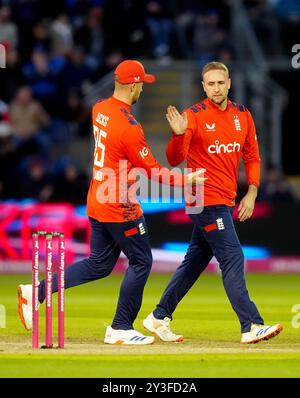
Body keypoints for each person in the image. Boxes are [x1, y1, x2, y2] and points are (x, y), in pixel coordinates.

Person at [17, 60, 204, 345]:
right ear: (132, 86)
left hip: (98, 200)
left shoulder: (99, 108)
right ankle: (120, 327)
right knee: (141, 261)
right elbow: (153, 170)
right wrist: (186, 180)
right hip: (120, 205)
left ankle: (38, 292)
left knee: (99, 264)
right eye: (142, 83)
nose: (143, 87)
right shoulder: (129, 128)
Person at [143, 61, 283, 344]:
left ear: (229, 83)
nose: (216, 88)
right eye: (211, 84)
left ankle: (159, 316)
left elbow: (252, 156)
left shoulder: (243, 115)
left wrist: (253, 191)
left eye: (221, 83)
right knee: (232, 257)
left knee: (195, 261)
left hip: (224, 198)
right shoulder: (192, 116)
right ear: (203, 86)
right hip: (203, 198)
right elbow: (173, 159)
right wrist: (178, 134)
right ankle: (251, 325)